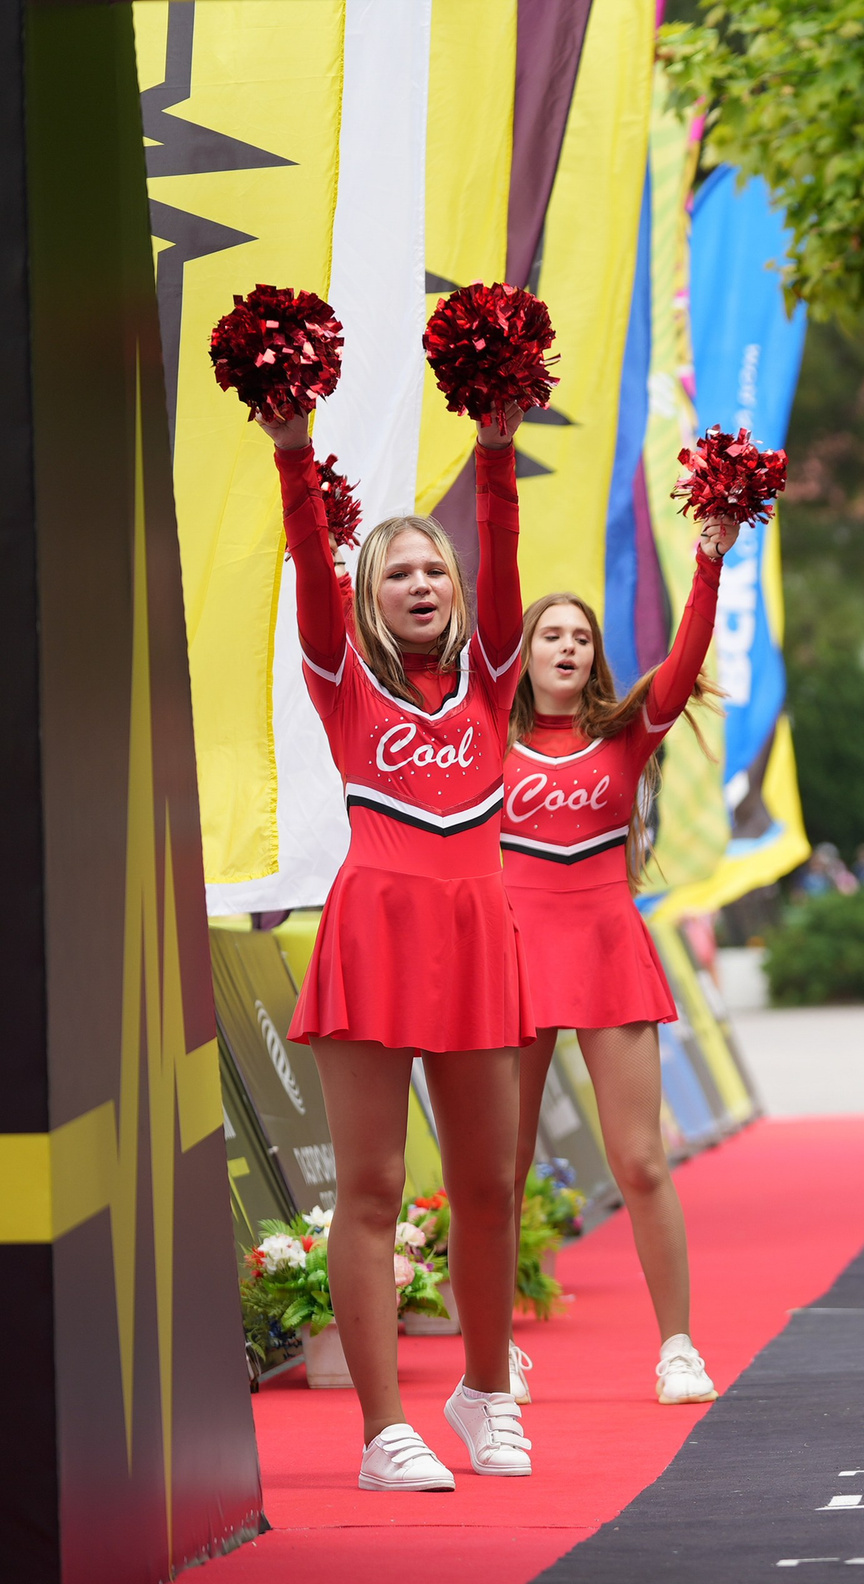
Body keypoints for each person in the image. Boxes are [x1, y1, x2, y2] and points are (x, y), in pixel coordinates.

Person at [260, 402, 533, 1491]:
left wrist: (500, 447)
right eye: (395, 575)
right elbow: (309, 577)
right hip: (372, 934)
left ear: (458, 591)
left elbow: (505, 550)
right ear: (368, 600)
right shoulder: (343, 678)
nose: (419, 586)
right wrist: (290, 454)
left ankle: (484, 1394)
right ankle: (383, 1433)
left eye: (434, 571)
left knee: (487, 1186)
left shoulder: (495, 679)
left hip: (475, 937)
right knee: (370, 1188)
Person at [500, 510, 733, 1409]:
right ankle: (495, 1355)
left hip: (604, 946)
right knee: (502, 1169)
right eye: (549, 633)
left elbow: (683, 662)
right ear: (521, 651)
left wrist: (707, 561)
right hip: (513, 957)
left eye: (580, 635)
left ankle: (677, 1345)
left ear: (594, 656)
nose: (565, 645)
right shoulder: (484, 733)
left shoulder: (627, 732)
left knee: (638, 1160)